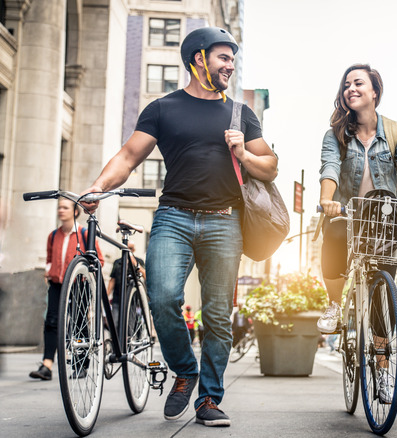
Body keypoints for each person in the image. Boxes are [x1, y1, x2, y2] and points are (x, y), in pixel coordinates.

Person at [81, 27, 277, 427]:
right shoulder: (162, 109)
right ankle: (185, 370)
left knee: (219, 315)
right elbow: (128, 156)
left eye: (232, 59)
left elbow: (270, 166)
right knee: (163, 295)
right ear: (199, 58)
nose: (229, 65)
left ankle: (209, 400)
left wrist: (242, 151)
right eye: (222, 57)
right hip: (173, 216)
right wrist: (100, 186)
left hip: (226, 222)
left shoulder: (241, 114)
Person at [317, 64, 397, 402]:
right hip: (348, 214)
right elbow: (330, 168)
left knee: (382, 299)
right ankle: (334, 305)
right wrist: (327, 200)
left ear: (374, 92)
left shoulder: (396, 132)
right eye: (347, 84)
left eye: (359, 83)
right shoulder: (335, 134)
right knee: (334, 235)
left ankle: (382, 371)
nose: (351, 88)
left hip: (384, 217)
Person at [30, 198, 104, 380]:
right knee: (51, 322)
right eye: (59, 207)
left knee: (78, 323)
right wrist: (49, 270)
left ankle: (80, 365)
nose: (61, 210)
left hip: (79, 285)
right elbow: (49, 257)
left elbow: (99, 260)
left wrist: (88, 278)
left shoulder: (85, 234)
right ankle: (47, 365)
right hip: (56, 285)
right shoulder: (53, 235)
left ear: (75, 212)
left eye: (65, 207)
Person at [107, 241, 145, 326]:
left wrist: (135, 264)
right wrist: (106, 296)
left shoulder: (139, 261)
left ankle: (128, 338)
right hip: (117, 299)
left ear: (134, 249)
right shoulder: (117, 262)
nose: (128, 250)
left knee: (130, 324)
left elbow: (145, 275)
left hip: (132, 301)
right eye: (126, 248)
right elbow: (112, 279)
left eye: (130, 248)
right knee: (114, 323)